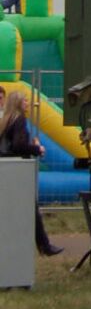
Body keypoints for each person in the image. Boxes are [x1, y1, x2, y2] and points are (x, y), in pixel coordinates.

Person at [0, 87, 60, 256]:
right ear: (19, 103)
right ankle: (44, 246)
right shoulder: (19, 120)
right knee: (31, 210)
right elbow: (19, 145)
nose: (28, 103)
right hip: (18, 171)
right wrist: (37, 148)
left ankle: (42, 245)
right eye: (25, 100)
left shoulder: (6, 120)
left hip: (6, 168)